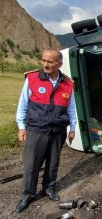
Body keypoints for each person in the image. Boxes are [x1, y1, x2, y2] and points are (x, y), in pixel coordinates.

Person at [15, 48, 77, 213]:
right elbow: (22, 104)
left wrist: (73, 128)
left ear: (59, 64)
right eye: (43, 60)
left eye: (50, 61)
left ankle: (49, 188)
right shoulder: (32, 78)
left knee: (53, 163)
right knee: (31, 164)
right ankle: (28, 194)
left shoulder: (67, 83)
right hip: (36, 129)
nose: (45, 64)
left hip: (58, 131)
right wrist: (21, 127)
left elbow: (71, 108)